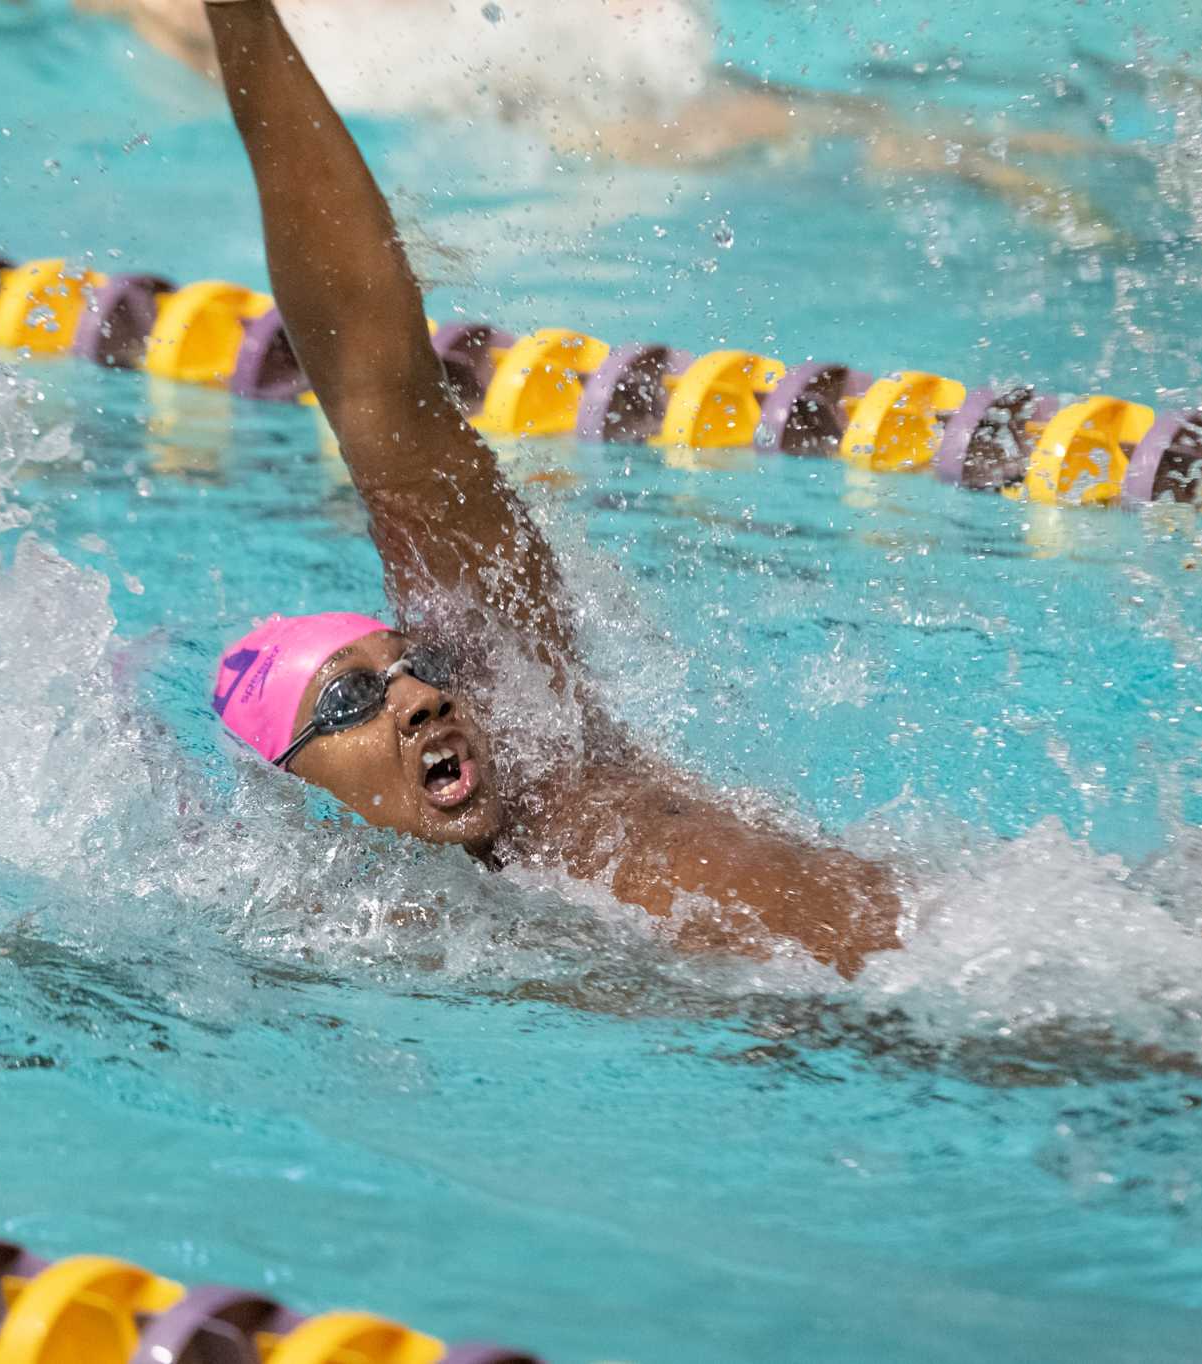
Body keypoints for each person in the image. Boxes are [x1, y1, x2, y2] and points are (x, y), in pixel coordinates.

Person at [198, 0, 901, 980]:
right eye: (354, 696)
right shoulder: (377, 926)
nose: (419, 697)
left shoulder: (549, 754)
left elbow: (377, 382)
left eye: (416, 665)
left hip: (982, 964)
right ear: (302, 788)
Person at [84, 0, 1121, 248]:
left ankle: (1021, 175)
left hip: (504, 86)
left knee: (748, 127)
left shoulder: (170, 20)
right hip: (517, 58)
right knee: (785, 117)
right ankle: (1033, 164)